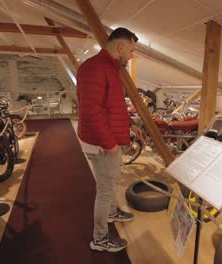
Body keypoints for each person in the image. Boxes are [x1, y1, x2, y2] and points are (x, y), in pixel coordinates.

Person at [76, 27, 140, 252]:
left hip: (106, 138)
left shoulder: (108, 68)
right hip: (101, 142)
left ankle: (112, 213)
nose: (131, 55)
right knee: (105, 189)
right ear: (121, 47)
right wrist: (109, 143)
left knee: (110, 182)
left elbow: (113, 106)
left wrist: (130, 125)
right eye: (131, 50)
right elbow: (92, 111)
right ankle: (100, 238)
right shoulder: (95, 68)